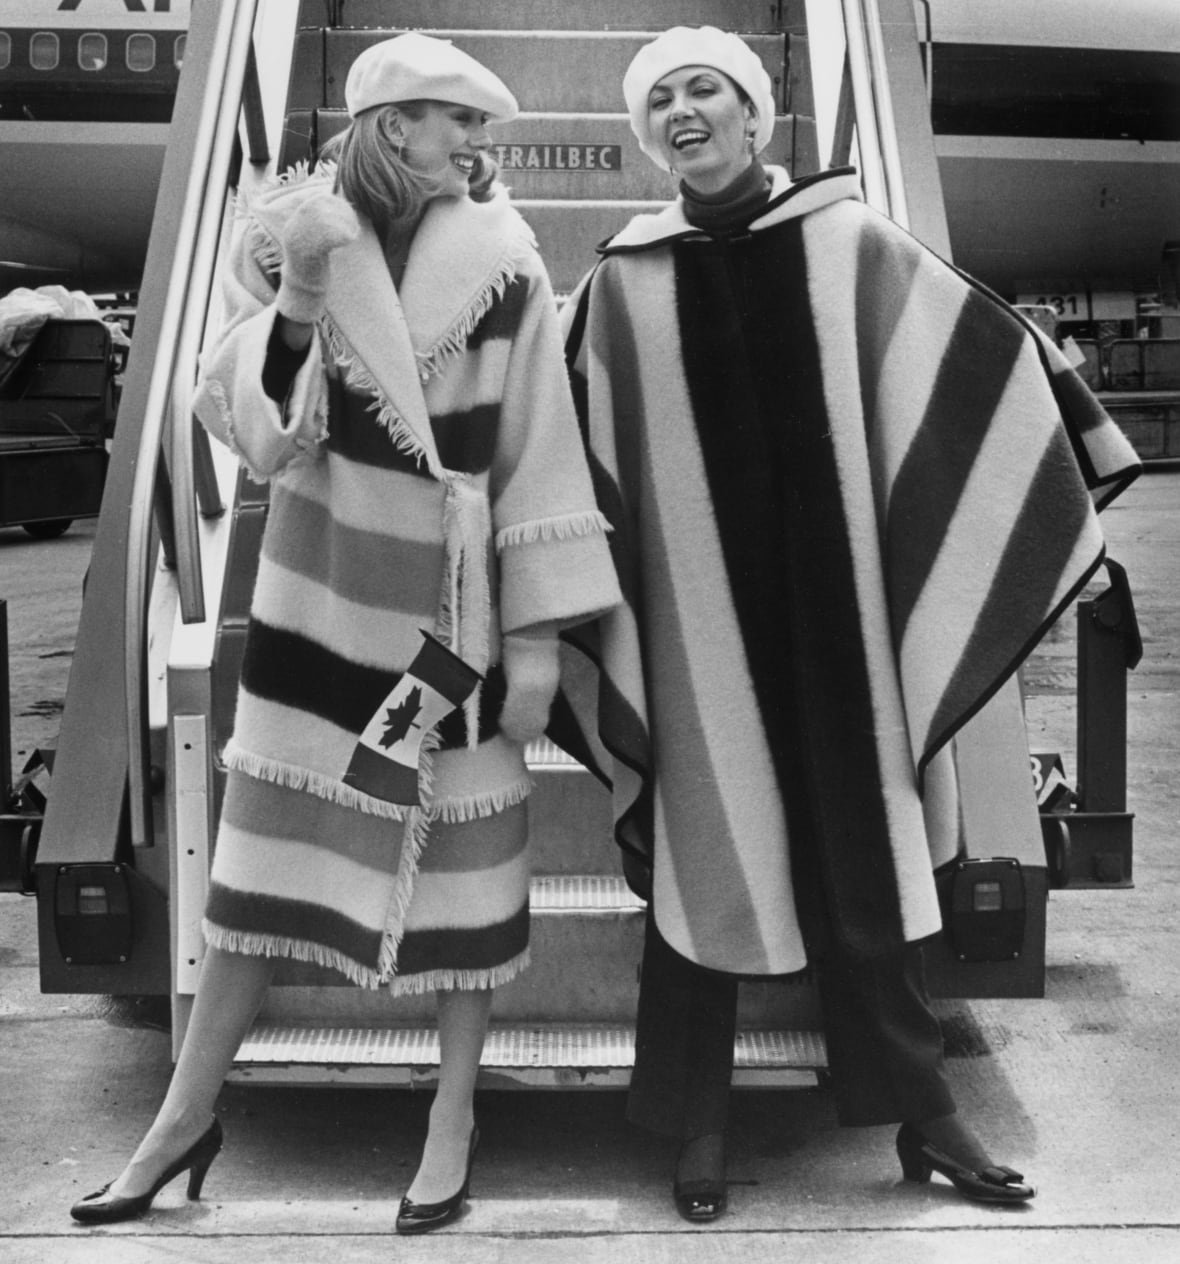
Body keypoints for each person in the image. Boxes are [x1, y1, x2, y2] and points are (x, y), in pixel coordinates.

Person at [555, 25, 1140, 1222]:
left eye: (705, 89)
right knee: (704, 851)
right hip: (697, 623)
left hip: (843, 614)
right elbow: (571, 445)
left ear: (754, 115)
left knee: (863, 850)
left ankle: (926, 1115)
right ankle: (699, 1120)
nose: (682, 111)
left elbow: (973, 352)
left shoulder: (848, 241)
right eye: (659, 100)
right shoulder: (623, 281)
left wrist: (1066, 443)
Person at [70, 33, 619, 1233]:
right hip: (322, 603)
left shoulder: (507, 260)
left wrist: (535, 641)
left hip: (453, 623)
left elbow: (539, 450)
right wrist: (305, 294)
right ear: (392, 126)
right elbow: (254, 425)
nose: (477, 143)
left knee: (467, 878)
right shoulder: (287, 239)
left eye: (479, 126)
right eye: (455, 121)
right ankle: (181, 1116)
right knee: (259, 876)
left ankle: (453, 1117)